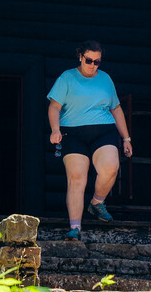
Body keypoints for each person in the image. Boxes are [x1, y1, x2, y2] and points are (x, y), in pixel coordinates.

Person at [46, 39, 131, 239]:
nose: (92, 65)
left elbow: (116, 108)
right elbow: (54, 107)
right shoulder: (67, 78)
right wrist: (54, 130)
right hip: (73, 133)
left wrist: (126, 138)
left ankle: (96, 203)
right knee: (76, 179)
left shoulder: (105, 79)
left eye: (97, 62)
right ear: (80, 57)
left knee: (111, 167)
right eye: (89, 60)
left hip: (104, 131)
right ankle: (75, 227)